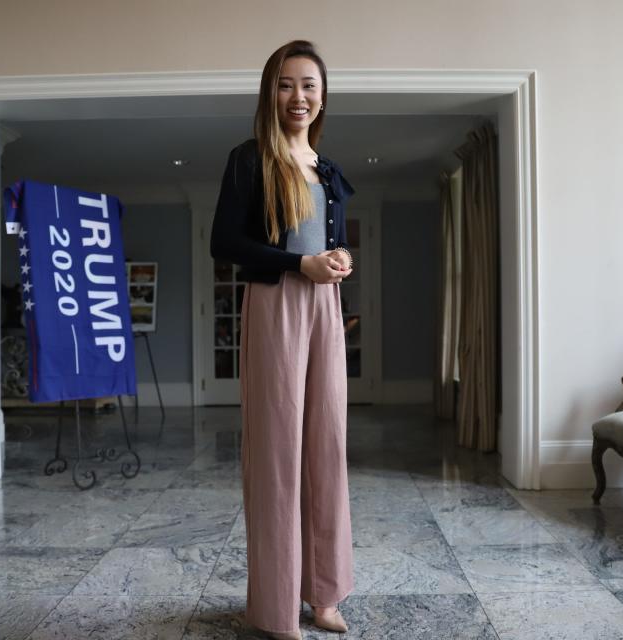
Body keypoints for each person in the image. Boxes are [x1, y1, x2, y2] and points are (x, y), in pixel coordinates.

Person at [210, 39, 356, 640]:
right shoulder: (250, 160)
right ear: (270, 92)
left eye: (310, 85)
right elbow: (225, 244)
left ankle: (324, 595)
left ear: (323, 97)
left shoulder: (329, 171)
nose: (299, 96)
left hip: (325, 306)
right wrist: (301, 266)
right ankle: (274, 609)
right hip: (276, 305)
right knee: (276, 452)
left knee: (327, 445)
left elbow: (332, 243)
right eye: (287, 84)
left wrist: (339, 259)